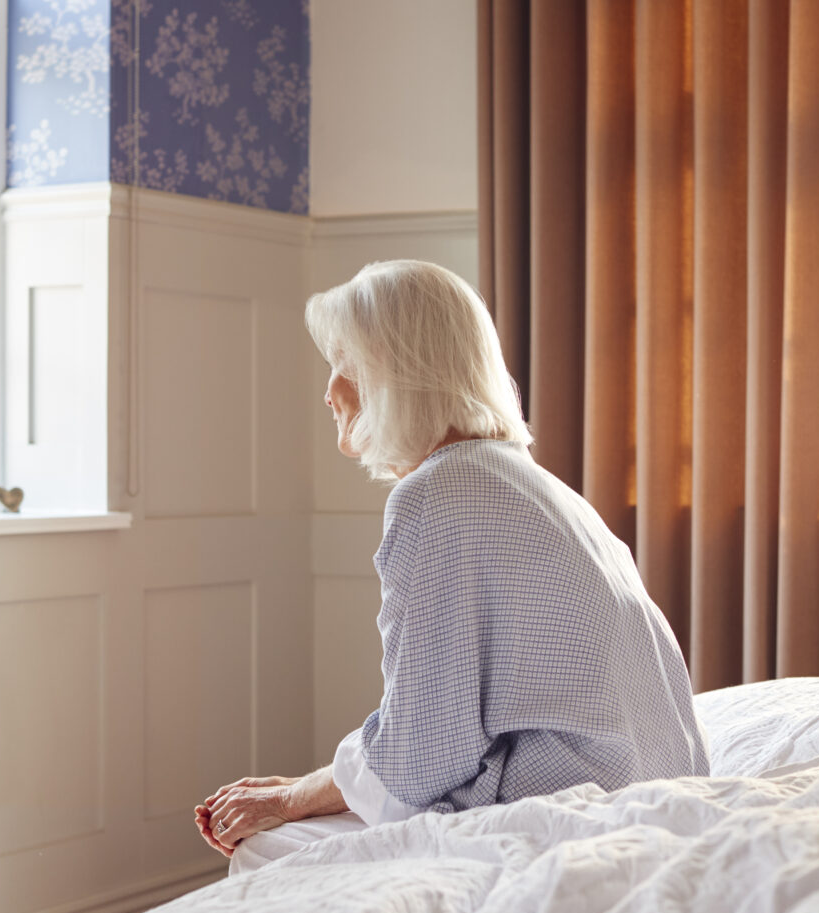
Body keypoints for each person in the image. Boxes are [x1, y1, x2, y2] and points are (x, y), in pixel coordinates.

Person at [194, 259, 708, 866]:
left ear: (396, 373)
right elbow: (435, 730)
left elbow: (420, 753)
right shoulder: (532, 482)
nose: (329, 390)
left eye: (346, 366)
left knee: (264, 848)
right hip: (650, 791)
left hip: (572, 814)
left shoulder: (434, 498)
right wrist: (312, 787)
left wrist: (295, 797)